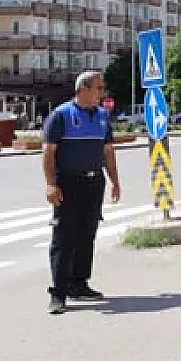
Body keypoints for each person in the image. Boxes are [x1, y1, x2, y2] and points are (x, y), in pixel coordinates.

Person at [42, 71, 122, 314]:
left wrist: (114, 181)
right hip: (68, 182)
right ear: (83, 89)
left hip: (93, 182)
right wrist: (51, 184)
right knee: (64, 237)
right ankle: (59, 292)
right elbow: (48, 152)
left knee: (87, 234)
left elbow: (108, 152)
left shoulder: (101, 117)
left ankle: (79, 283)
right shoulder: (61, 115)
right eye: (98, 88)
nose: (102, 92)